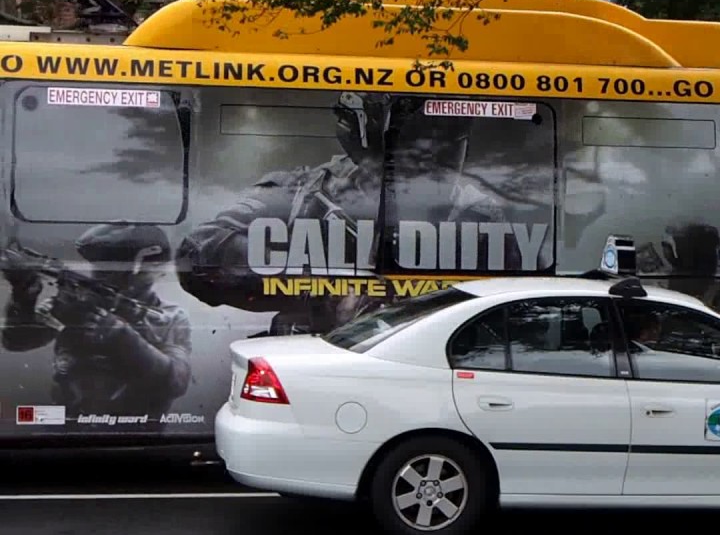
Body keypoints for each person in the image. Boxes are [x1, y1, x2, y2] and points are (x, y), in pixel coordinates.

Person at [175, 91, 536, 335]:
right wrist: (319, 285)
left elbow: (511, 311)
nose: (432, 167)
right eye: (417, 153)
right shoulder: (308, 191)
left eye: (447, 146)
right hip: (317, 362)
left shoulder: (479, 216)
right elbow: (198, 254)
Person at [1, 222, 192, 428]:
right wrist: (24, 295)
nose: (97, 275)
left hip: (137, 433)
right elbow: (17, 342)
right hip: (67, 429)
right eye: (97, 266)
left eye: (110, 268)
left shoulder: (170, 317)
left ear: (146, 270)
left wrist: (119, 335)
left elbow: (176, 382)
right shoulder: (78, 302)